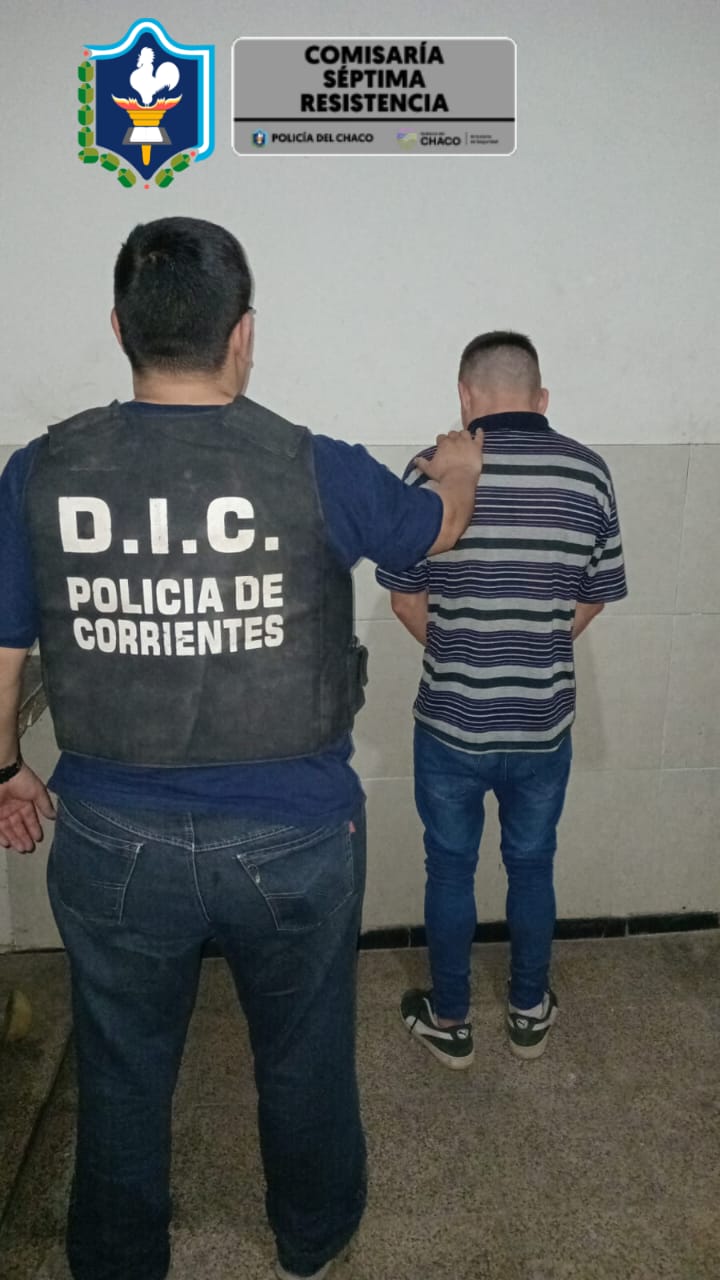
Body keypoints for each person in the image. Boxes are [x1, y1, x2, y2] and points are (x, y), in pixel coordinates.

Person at [0, 216, 484, 1280]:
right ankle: (312, 1239)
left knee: (121, 1068)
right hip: (294, 838)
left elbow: (3, 646)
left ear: (120, 327)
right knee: (304, 1058)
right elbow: (434, 530)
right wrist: (459, 467)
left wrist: (3, 769)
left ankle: (117, 1258)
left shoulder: (39, 470)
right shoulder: (315, 466)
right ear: (244, 333)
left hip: (110, 836)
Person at [376, 331, 627, 1069]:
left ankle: (451, 1021)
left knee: (449, 870)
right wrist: (533, 644)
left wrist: (466, 652)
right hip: (543, 724)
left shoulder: (429, 472)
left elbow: (403, 601)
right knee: (533, 866)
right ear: (541, 397)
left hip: (450, 725)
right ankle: (527, 1011)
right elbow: (594, 597)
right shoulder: (588, 474)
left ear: (466, 396)